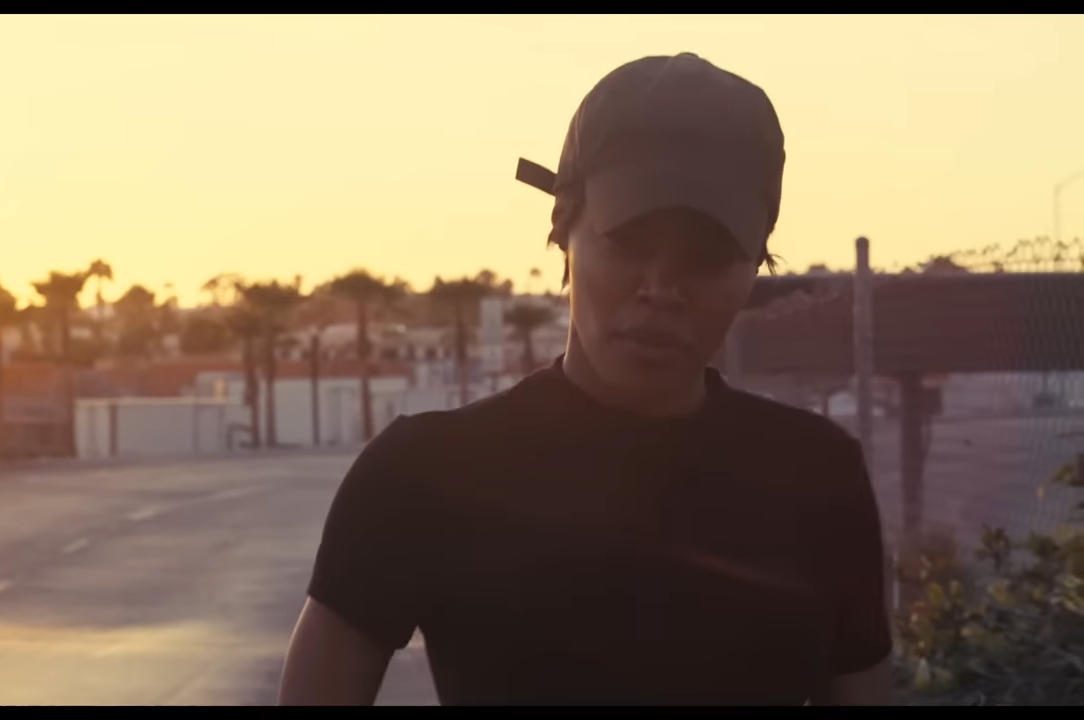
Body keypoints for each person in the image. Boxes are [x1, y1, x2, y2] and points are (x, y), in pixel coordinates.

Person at [279, 53, 892, 706]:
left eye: (708, 256)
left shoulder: (818, 476)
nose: (662, 288)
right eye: (630, 241)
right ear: (562, 228)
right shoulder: (423, 473)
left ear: (755, 266)